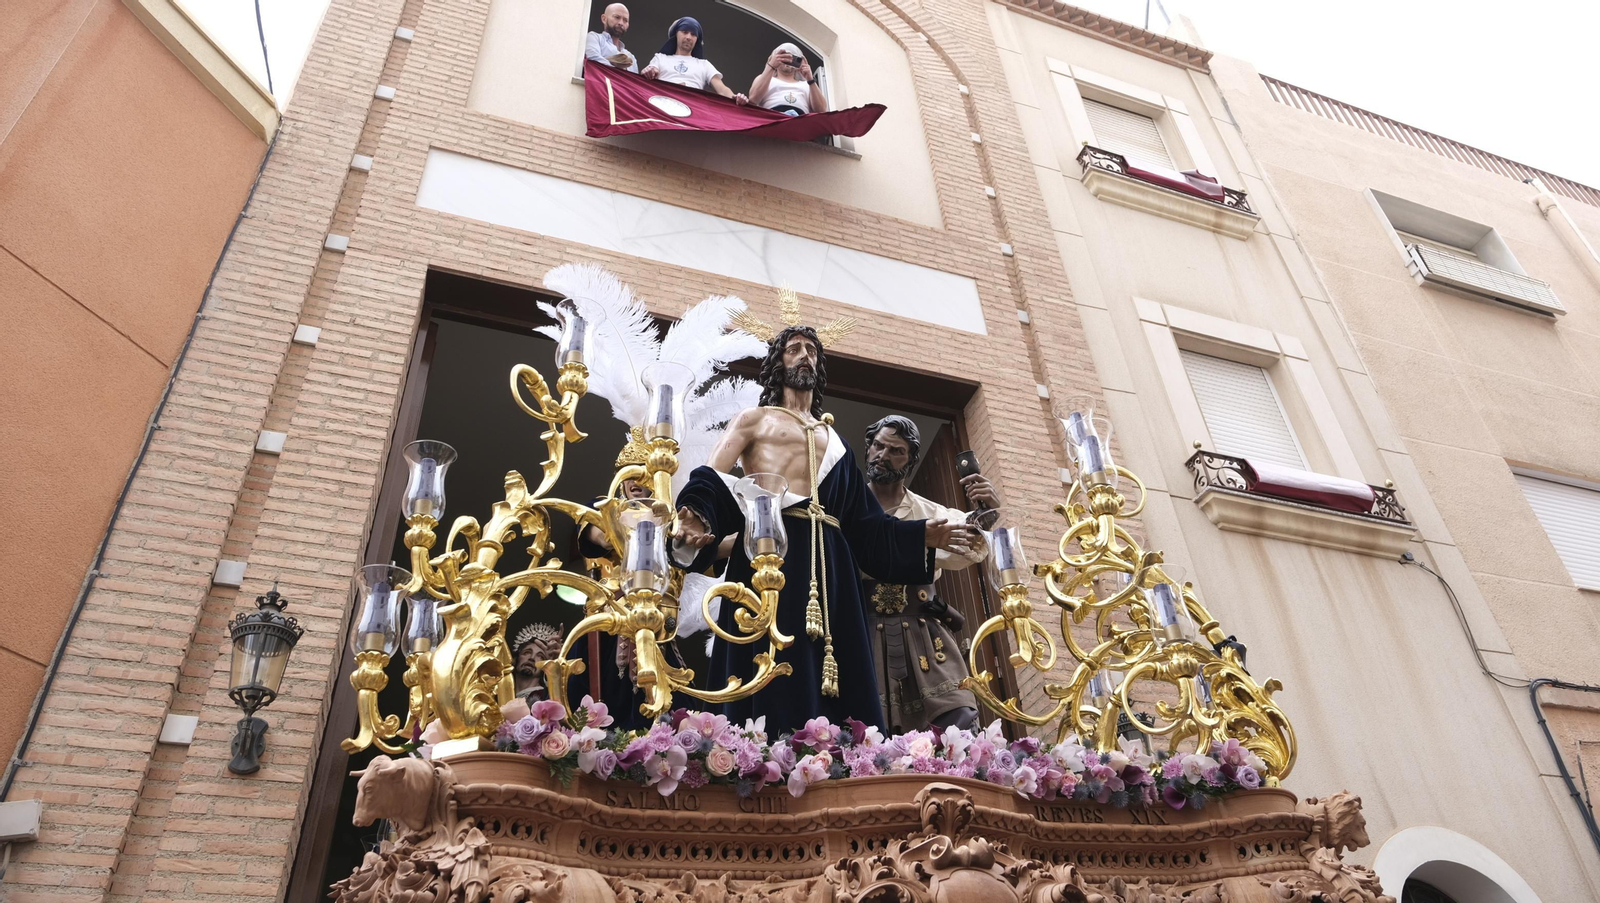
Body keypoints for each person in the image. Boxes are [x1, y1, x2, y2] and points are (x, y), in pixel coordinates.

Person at [674, 315, 977, 735]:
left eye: (812, 351)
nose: (805, 356)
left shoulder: (837, 444)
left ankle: (832, 750)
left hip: (830, 563)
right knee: (766, 651)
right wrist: (694, 514)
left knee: (829, 661)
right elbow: (713, 478)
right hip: (769, 550)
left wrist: (923, 534)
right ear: (778, 362)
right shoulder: (754, 420)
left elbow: (868, 527)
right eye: (794, 349)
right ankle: (756, 747)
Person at [860, 415, 998, 733]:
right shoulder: (849, 508)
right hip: (863, 630)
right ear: (868, 449)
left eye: (896, 451)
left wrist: (985, 516)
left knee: (957, 715)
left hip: (922, 631)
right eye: (878, 446)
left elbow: (967, 543)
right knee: (865, 729)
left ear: (911, 460)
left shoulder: (930, 512)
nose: (883, 455)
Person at [641, 17, 748, 105]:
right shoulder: (660, 58)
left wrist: (736, 97)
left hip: (692, 109)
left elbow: (722, 89)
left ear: (697, 39)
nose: (688, 37)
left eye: (693, 34)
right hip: (662, 105)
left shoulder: (704, 65)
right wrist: (648, 71)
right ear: (677, 34)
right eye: (685, 32)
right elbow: (649, 73)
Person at [748, 42, 826, 116]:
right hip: (772, 118)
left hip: (799, 120)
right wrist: (771, 66)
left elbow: (822, 110)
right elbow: (753, 99)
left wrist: (810, 79)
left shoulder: (807, 85)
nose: (788, 60)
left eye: (793, 58)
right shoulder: (766, 79)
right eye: (783, 57)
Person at [584, 3, 637, 72]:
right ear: (604, 19)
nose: (621, 23)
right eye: (617, 17)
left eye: (625, 20)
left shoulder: (631, 57)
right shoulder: (594, 37)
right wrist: (619, 71)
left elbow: (633, 78)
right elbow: (593, 60)